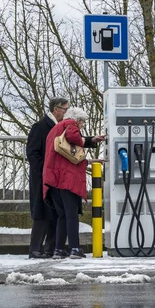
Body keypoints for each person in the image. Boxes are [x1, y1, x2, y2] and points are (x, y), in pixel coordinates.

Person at [43, 107, 105, 259]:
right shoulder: (70, 125)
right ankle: (75, 248)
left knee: (62, 215)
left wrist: (89, 156)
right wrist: (88, 140)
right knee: (71, 215)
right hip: (66, 179)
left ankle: (58, 249)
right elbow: (74, 137)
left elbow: (66, 155)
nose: (82, 126)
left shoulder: (54, 130)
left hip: (54, 178)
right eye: (82, 122)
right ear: (77, 120)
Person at [26, 97, 70, 259]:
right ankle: (35, 248)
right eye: (65, 109)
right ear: (56, 109)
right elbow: (32, 153)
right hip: (42, 177)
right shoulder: (40, 127)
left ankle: (50, 248)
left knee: (55, 212)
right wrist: (43, 171)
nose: (66, 113)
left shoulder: (61, 127)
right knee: (41, 212)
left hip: (56, 176)